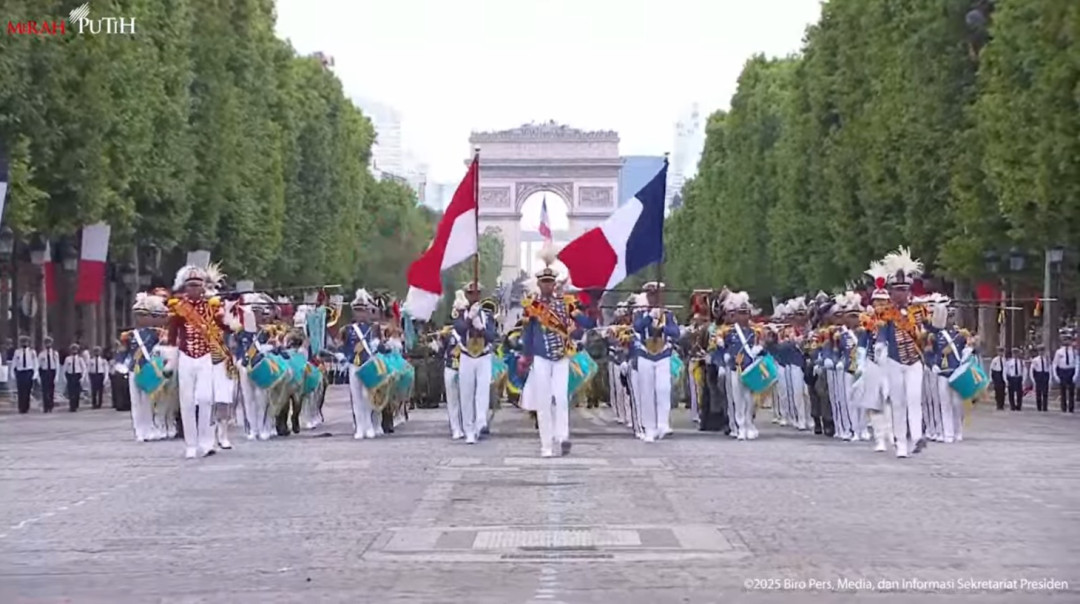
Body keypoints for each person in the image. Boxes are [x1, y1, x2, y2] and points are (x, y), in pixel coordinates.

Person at [162, 264, 230, 459]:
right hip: (185, 355)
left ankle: (207, 442)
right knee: (187, 401)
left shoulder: (212, 306)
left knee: (206, 399)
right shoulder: (178, 307)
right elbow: (172, 333)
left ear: (203, 287)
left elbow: (225, 328)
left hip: (206, 356)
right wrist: (170, 356)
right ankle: (191, 444)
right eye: (190, 285)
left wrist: (224, 318)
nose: (193, 288)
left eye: (197, 285)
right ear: (185, 287)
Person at [873, 247, 928, 458]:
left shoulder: (919, 310)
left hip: (914, 360)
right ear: (891, 292)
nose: (901, 294)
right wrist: (880, 347)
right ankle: (901, 442)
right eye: (897, 290)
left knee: (914, 398)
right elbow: (881, 333)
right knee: (898, 403)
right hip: (894, 361)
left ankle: (916, 436)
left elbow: (929, 331)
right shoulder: (886, 312)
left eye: (904, 290)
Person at [520, 261, 578, 458]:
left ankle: (562, 437)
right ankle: (546, 444)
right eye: (543, 282)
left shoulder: (564, 303)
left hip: (561, 355)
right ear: (539, 284)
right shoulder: (532, 306)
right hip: (541, 356)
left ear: (554, 284)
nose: (547, 285)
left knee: (561, 397)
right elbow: (528, 332)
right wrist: (525, 355)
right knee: (543, 401)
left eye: (550, 282)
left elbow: (579, 324)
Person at [632, 282, 680, 442]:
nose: (654, 298)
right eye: (651, 295)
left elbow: (676, 332)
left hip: (663, 354)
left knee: (663, 390)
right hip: (645, 354)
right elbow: (637, 327)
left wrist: (663, 328)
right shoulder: (640, 313)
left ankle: (663, 423)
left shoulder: (668, 314)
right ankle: (649, 428)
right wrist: (649, 317)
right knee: (646, 393)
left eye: (657, 295)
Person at [453, 281, 497, 443]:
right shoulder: (460, 313)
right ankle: (468, 429)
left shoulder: (487, 315)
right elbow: (459, 329)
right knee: (466, 394)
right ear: (466, 295)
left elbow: (493, 337)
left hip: (484, 356)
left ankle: (480, 423)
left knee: (482, 392)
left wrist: (482, 328)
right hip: (467, 356)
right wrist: (470, 318)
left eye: (477, 293)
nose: (474, 296)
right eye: (471, 293)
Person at [340, 288, 386, 440]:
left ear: (367, 312)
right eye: (357, 311)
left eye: (363, 311)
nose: (360, 314)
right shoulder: (348, 329)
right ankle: (360, 427)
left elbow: (380, 346)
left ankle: (369, 425)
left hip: (368, 364)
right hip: (354, 365)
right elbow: (344, 346)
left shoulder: (372, 328)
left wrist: (377, 345)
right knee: (356, 397)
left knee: (368, 396)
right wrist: (344, 356)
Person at [12, 335, 38, 414]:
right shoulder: (17, 352)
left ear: (28, 343)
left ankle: (26, 407)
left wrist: (35, 373)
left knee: (27, 390)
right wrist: (12, 373)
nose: (24, 343)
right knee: (20, 390)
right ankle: (21, 407)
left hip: (28, 371)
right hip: (20, 372)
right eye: (23, 342)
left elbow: (35, 363)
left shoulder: (32, 352)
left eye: (26, 342)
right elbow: (14, 363)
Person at [1052, 331, 1076, 413]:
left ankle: (1071, 407)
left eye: (1068, 340)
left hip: (1071, 370)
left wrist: (1075, 374)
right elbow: (1055, 364)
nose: (1067, 342)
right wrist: (1056, 376)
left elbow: (1076, 363)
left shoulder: (1073, 351)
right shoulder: (1059, 352)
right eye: (1065, 340)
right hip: (1062, 371)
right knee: (1063, 390)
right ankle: (1063, 407)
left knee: (1071, 391)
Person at [62, 343, 87, 412]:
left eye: (75, 349)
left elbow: (84, 369)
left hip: (77, 375)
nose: (74, 351)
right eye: (73, 349)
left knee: (76, 392)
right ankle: (71, 406)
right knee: (71, 392)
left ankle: (76, 405)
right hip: (70, 375)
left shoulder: (80, 359)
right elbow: (65, 369)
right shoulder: (68, 359)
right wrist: (65, 378)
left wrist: (82, 378)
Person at [38, 337, 59, 413]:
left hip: (52, 372)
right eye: (46, 343)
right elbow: (39, 365)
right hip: (44, 372)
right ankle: (45, 406)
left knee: (51, 390)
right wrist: (38, 376)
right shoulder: (41, 354)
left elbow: (57, 365)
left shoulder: (55, 353)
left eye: (49, 343)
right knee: (45, 390)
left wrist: (56, 376)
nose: (48, 344)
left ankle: (51, 405)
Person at [1029, 344, 1051, 412]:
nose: (1041, 352)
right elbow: (1032, 370)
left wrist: (1050, 378)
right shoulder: (1035, 360)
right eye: (1040, 351)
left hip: (1045, 374)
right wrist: (1033, 379)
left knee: (1045, 392)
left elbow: (1050, 369)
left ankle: (1045, 407)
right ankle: (1039, 406)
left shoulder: (1047, 359)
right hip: (1038, 375)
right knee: (1038, 392)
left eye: (1042, 350)